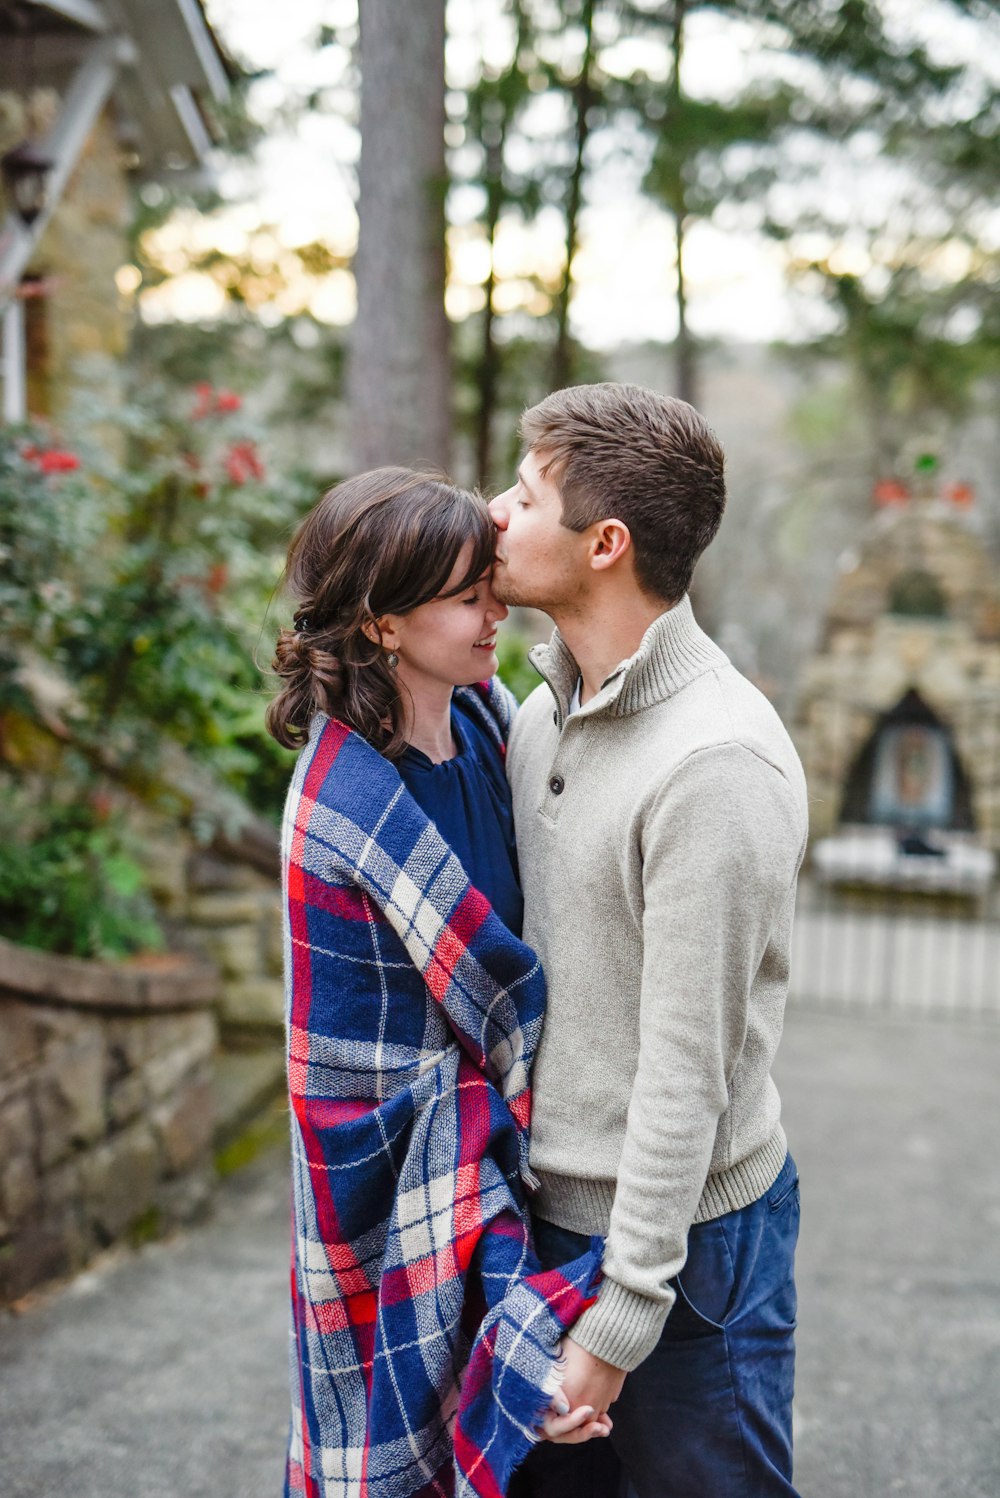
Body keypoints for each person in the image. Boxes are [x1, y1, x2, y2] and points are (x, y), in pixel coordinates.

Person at [489, 384, 809, 1498]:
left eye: (524, 497)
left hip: (688, 1258)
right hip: (540, 1232)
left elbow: (685, 1072)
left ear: (604, 544)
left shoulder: (715, 767)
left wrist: (622, 1318)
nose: (494, 514)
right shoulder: (540, 709)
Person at [265, 467, 606, 1498]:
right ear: (380, 625)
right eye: (469, 597)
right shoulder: (340, 809)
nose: (498, 611)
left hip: (509, 1139)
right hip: (395, 1172)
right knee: (386, 1442)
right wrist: (527, 1340)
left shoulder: (493, 725)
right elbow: (388, 1096)